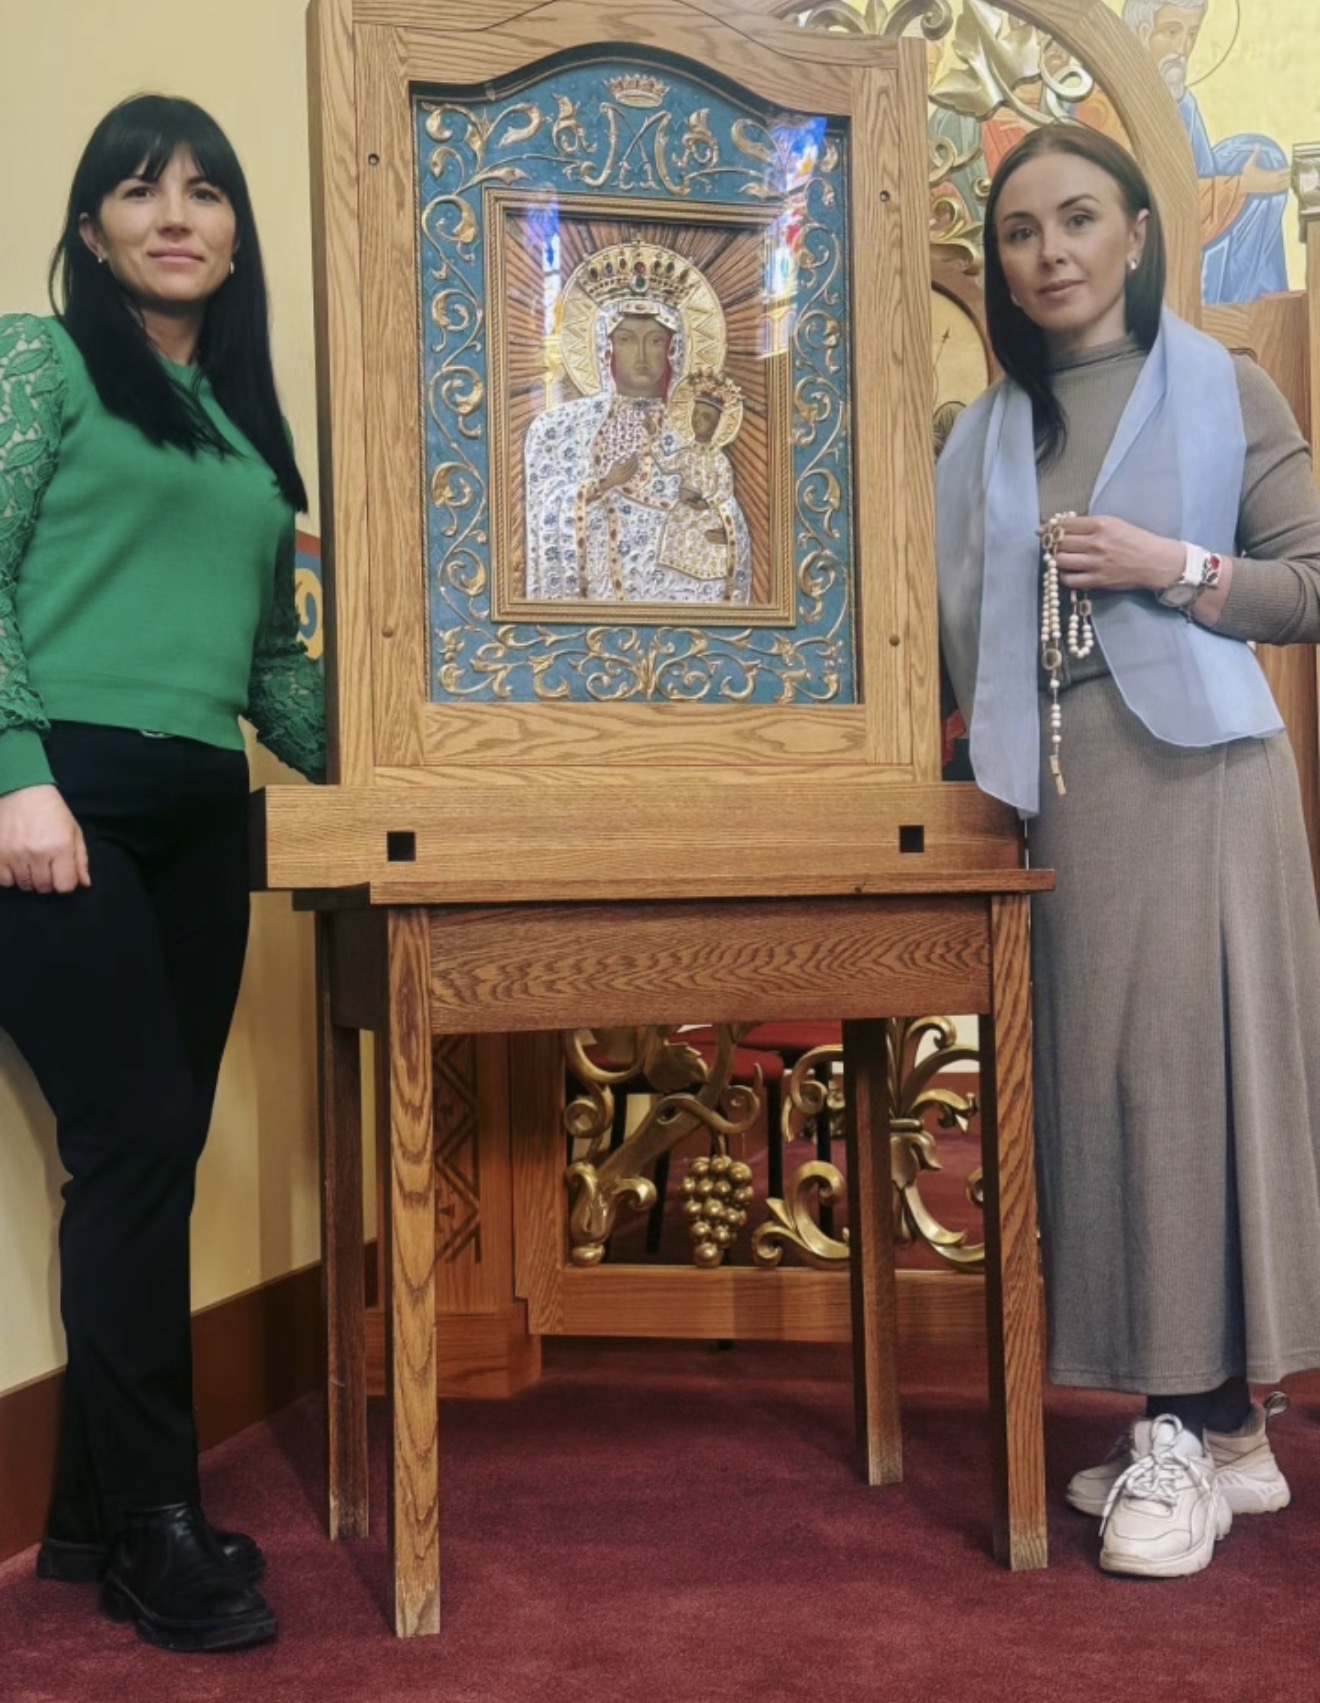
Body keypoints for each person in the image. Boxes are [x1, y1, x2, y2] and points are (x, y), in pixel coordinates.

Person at [937, 125, 1320, 1579]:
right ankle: (1223, 1430)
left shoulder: (1228, 385)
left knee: (1180, 1083)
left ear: (1141, 234)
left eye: (1080, 218)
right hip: (1054, 793)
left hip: (1203, 775)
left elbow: (1313, 581)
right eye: (1021, 230)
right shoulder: (981, 434)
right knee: (1102, 1098)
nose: (1051, 253)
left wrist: (1181, 568)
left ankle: (1183, 1422)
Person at [0, 95, 323, 1651]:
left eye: (205, 191)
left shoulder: (248, 431)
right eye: (139, 190)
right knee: (134, 1139)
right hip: (63, 796)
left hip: (205, 811)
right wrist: (15, 772)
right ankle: (154, 1527)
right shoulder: (42, 360)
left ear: (237, 235)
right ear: (92, 227)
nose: (175, 214)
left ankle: (90, 1515)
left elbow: (273, 670)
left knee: (154, 1156)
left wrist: (433, 739)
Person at [523, 244, 751, 605]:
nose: (642, 356)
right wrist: (601, 486)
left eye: (655, 341)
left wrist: (715, 518)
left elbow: (726, 514)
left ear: (674, 349)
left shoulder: (695, 430)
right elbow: (545, 509)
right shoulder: (561, 428)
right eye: (627, 340)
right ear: (606, 347)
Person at [1121, 0, 1290, 304]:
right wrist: (1241, 186)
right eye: (1171, 32)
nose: (1182, 49)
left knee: (1263, 155)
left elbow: (1200, 171)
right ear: (1143, 34)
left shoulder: (1183, 104)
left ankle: (1260, 301)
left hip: (1200, 225)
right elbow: (1153, 201)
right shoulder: (1116, 106)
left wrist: (1243, 182)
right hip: (1150, 255)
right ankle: (1226, 307)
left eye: (1192, 35)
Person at [654, 370, 751, 600]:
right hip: (682, 517)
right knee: (676, 574)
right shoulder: (687, 454)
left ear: (717, 424)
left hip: (707, 517)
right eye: (695, 414)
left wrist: (707, 503)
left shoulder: (719, 460)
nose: (698, 420)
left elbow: (724, 489)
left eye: (706, 417)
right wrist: (652, 438)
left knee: (706, 573)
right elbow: (666, 465)